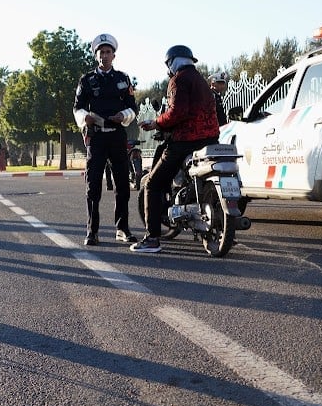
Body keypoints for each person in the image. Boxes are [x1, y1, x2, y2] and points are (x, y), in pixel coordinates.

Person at [131, 45, 220, 253]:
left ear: (172, 62)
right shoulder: (201, 81)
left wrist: (156, 123)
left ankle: (152, 239)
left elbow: (176, 112)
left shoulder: (179, 80)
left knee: (152, 184)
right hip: (210, 140)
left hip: (185, 141)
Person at [73, 33, 138, 246]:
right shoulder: (87, 80)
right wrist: (86, 118)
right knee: (93, 186)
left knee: (122, 184)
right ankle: (92, 231)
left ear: (114, 55)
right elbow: (77, 107)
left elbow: (133, 107)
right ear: (96, 56)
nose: (105, 56)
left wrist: (124, 116)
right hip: (97, 137)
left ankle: (122, 228)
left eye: (108, 52)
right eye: (101, 52)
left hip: (118, 135)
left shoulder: (123, 79)